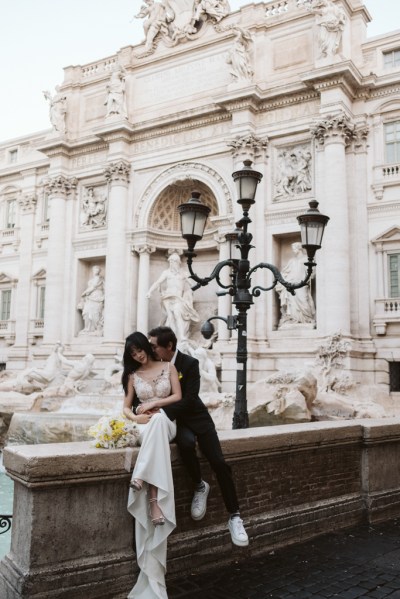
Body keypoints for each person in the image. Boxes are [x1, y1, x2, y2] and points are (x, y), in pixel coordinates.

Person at [147, 326, 249, 547]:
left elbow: (191, 398)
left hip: (198, 419)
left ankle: (235, 516)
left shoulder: (190, 364)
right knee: (185, 444)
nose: (151, 349)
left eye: (154, 345)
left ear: (169, 346)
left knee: (219, 463)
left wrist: (161, 412)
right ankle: (199, 485)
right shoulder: (154, 366)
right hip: (179, 423)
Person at [122, 331, 182, 599]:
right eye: (133, 353)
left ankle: (142, 476)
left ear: (146, 346)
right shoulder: (132, 375)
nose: (138, 355)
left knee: (159, 421)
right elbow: (126, 408)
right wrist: (137, 419)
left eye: (140, 350)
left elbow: (177, 396)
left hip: (166, 423)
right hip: (146, 426)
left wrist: (156, 403)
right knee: (153, 423)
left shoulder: (168, 366)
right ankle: (155, 499)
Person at [146, 252, 199, 342]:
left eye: (173, 262)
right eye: (170, 262)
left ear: (178, 262)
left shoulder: (183, 273)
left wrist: (190, 280)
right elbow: (158, 282)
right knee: (170, 317)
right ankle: (173, 337)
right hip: (168, 297)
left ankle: (181, 336)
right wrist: (149, 291)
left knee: (177, 313)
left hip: (178, 298)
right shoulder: (166, 273)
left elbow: (192, 285)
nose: (171, 264)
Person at [276, 242, 316, 327]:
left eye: (294, 248)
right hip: (291, 284)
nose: (293, 251)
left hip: (302, 284)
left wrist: (311, 274)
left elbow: (312, 272)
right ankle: (293, 319)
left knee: (304, 301)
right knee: (292, 303)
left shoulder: (306, 259)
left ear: (299, 248)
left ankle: (307, 319)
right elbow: (285, 272)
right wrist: (282, 279)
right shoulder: (292, 261)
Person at [78, 266, 105, 335]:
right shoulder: (92, 279)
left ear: (99, 271)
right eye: (94, 270)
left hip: (98, 296)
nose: (95, 271)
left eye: (97, 270)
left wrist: (84, 293)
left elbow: (93, 287)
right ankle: (87, 328)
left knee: (96, 313)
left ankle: (96, 329)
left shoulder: (99, 279)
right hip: (90, 298)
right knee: (86, 312)